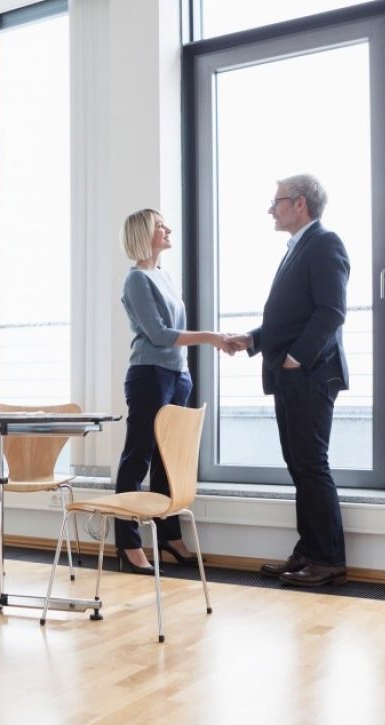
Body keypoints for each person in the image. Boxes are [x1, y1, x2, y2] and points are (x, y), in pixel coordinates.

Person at [228, 175, 351, 587]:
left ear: (300, 204)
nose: (271, 209)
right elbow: (288, 317)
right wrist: (253, 340)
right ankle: (308, 551)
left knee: (311, 465)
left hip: (311, 375)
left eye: (277, 201)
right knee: (299, 465)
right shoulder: (297, 249)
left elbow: (331, 311)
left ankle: (328, 558)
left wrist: (298, 358)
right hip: (291, 374)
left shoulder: (325, 243)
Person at [115, 208, 238, 574]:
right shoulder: (137, 280)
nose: (168, 228)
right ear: (144, 233)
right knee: (139, 455)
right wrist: (212, 338)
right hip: (149, 373)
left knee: (170, 460)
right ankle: (128, 541)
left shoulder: (164, 276)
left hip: (177, 373)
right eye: (160, 225)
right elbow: (159, 335)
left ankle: (168, 534)